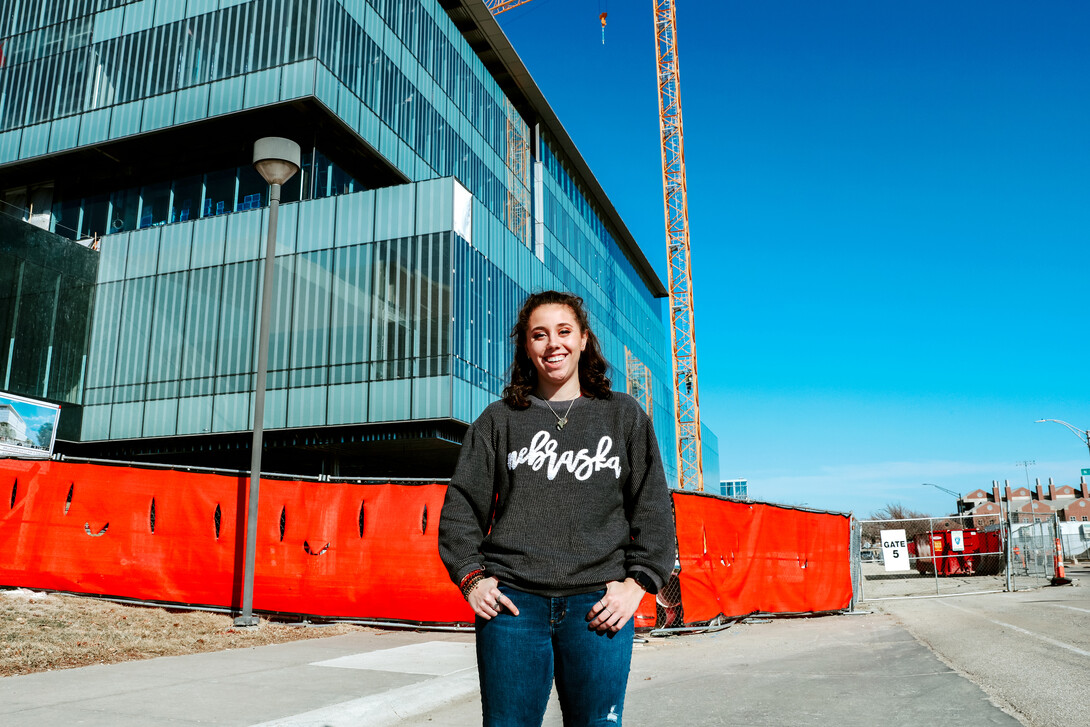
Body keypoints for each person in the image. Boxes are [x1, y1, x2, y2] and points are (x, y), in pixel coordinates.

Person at [439, 290, 675, 727]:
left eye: (564, 331)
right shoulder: (499, 420)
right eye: (539, 335)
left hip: (599, 606)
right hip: (513, 608)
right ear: (526, 347)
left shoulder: (623, 415)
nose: (554, 344)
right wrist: (472, 579)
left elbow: (655, 510)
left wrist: (636, 584)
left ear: (584, 339)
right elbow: (461, 509)